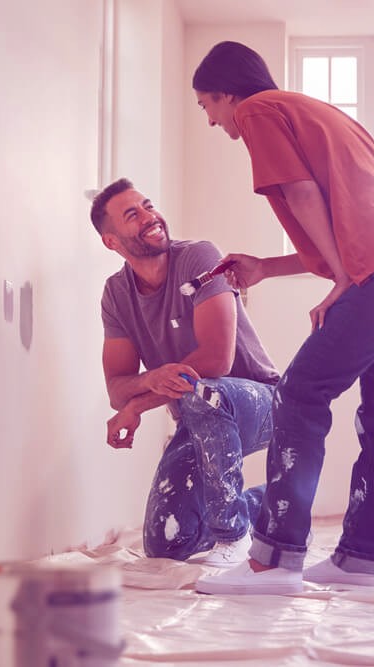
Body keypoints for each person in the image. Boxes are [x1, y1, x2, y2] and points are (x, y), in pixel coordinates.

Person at [190, 41, 374, 595]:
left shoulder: (259, 109)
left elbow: (303, 196)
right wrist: (267, 267)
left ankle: (274, 560)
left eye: (207, 106)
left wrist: (343, 278)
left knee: (300, 393)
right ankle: (361, 559)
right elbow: (345, 216)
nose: (212, 121)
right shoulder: (319, 113)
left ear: (227, 93)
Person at [90, 177, 280, 567]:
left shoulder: (199, 257)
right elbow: (116, 388)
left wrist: (137, 407)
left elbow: (216, 361)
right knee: (167, 543)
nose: (149, 216)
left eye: (147, 205)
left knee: (204, 391)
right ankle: (274, 506)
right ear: (111, 241)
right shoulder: (116, 294)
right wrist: (147, 382)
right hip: (198, 416)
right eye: (132, 215)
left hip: (261, 403)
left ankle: (234, 536)